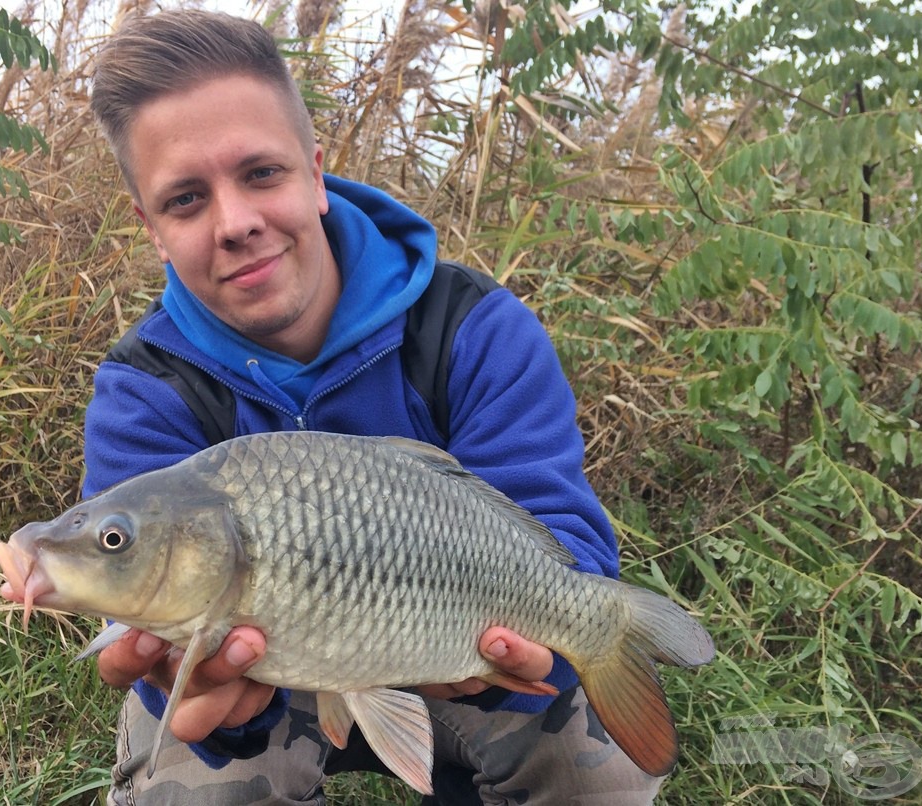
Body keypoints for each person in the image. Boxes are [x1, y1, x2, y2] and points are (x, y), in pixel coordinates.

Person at [83, 9, 664, 805]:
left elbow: (564, 543)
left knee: (589, 768)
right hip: (260, 676)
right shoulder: (143, 389)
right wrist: (188, 691)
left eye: (261, 173)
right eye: (186, 199)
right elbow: (150, 640)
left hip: (453, 637)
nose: (237, 222)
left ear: (315, 173)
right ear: (151, 229)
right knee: (194, 784)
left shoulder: (475, 330)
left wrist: (547, 651)